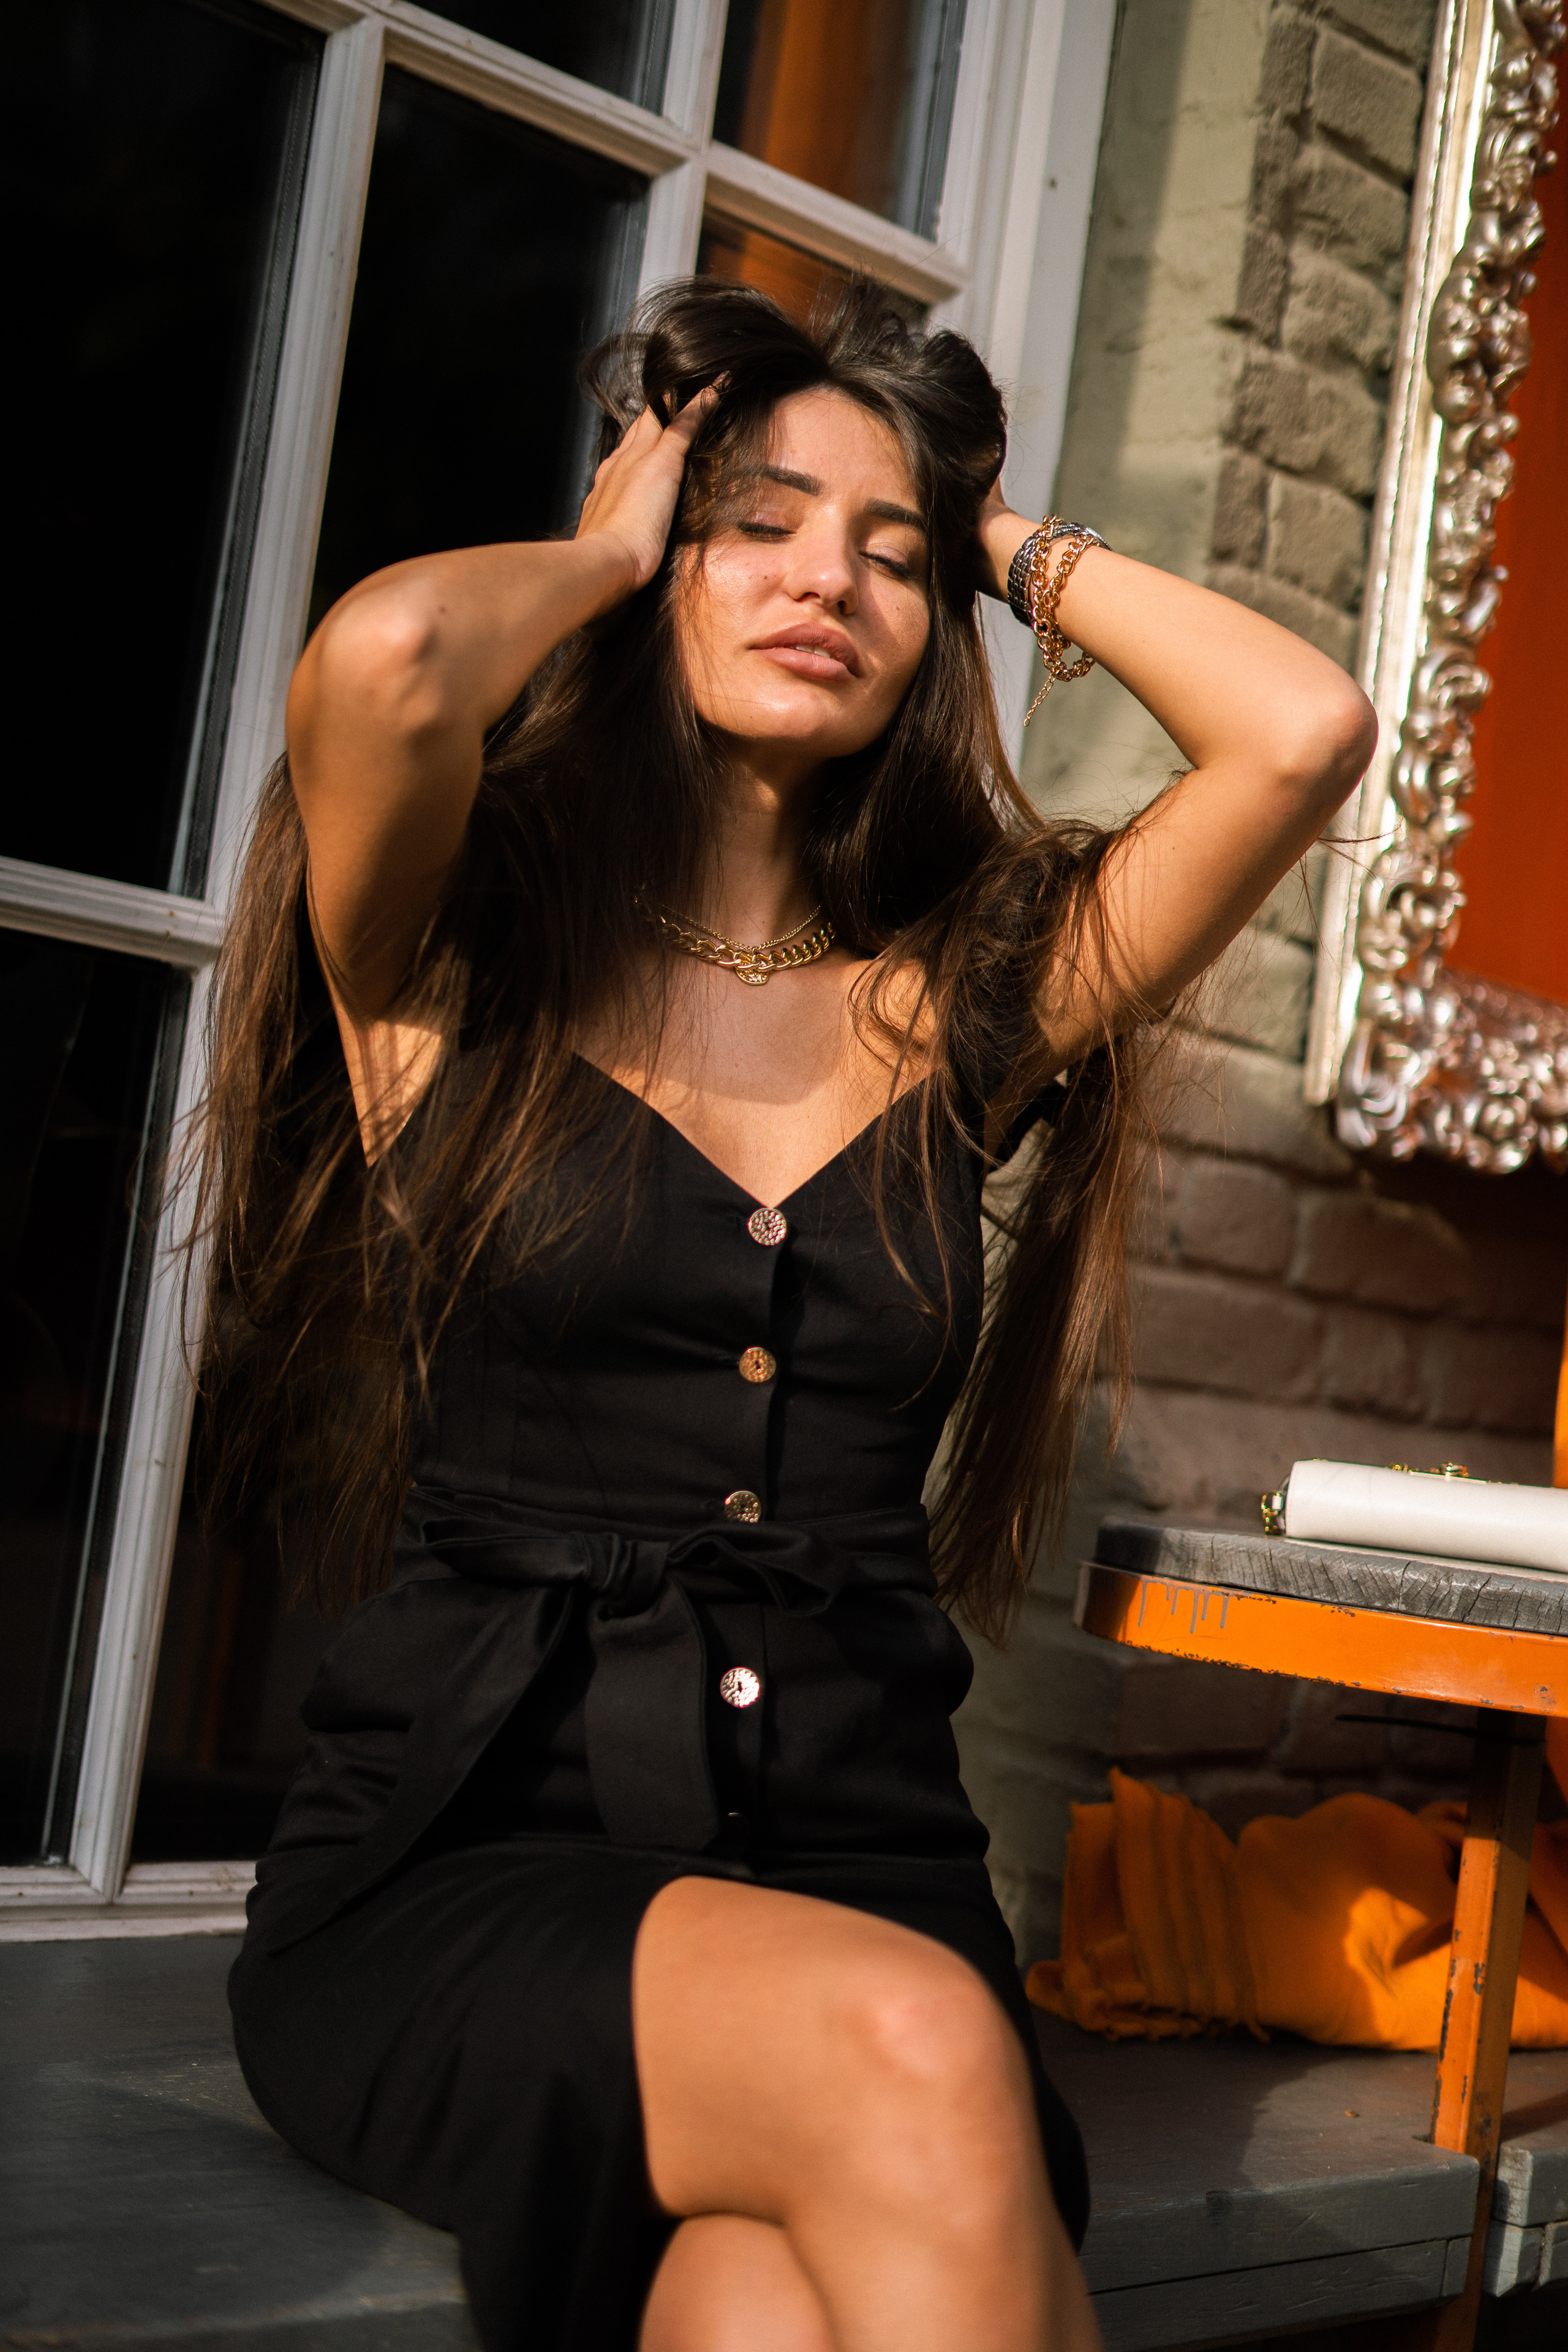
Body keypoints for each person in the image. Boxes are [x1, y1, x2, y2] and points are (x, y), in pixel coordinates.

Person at [205, 279, 1373, 2352]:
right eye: (761, 520)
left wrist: (1000, 525)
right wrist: (602, 542)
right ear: (664, 549)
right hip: (476, 1872)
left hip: (861, 1874)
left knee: (759, 2307)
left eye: (890, 554)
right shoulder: (450, 968)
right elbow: (386, 662)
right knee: (918, 2056)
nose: (828, 573)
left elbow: (1299, 732)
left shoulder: (965, 1006)